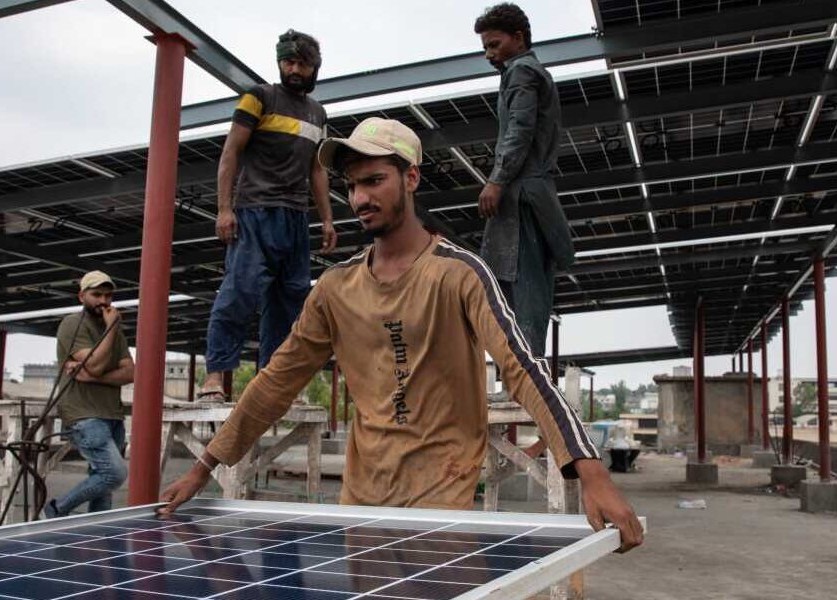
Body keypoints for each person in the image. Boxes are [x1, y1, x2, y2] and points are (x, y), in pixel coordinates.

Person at [160, 118, 644, 552]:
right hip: (362, 501)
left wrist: (590, 471)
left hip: (440, 499)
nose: (360, 199)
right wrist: (205, 468)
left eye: (374, 180)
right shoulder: (335, 288)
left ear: (411, 178)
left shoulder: (459, 273)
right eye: (351, 186)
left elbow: (521, 366)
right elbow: (275, 382)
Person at [199, 29, 337, 400]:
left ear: (314, 68)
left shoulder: (318, 113)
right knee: (239, 291)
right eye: (288, 62)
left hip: (295, 218)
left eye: (302, 64)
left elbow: (317, 170)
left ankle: (270, 381)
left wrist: (326, 219)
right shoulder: (259, 98)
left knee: (290, 300)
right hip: (253, 211)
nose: (294, 69)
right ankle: (214, 377)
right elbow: (230, 153)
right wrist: (224, 209)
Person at [474, 3, 574, 357]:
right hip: (528, 191)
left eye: (495, 44)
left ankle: (527, 373)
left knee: (523, 284)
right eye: (485, 47)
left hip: (523, 194)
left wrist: (497, 181)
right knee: (512, 284)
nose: (489, 54)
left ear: (518, 38)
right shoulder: (525, 71)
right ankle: (520, 369)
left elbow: (519, 131)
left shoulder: (522, 73)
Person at [43, 271, 134, 518]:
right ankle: (58, 509)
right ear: (82, 295)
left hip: (112, 413)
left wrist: (95, 376)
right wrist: (98, 365)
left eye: (108, 295)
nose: (103, 301)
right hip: (84, 414)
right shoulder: (73, 324)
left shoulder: (113, 329)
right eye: (96, 294)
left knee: (101, 482)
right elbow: (94, 363)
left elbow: (130, 372)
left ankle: (98, 532)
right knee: (113, 474)